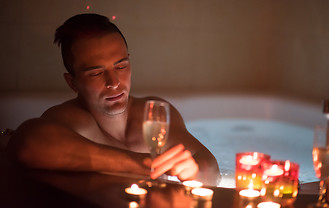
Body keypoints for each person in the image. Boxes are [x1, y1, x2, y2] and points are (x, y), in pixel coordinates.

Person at [7, 13, 220, 185]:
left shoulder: (152, 113)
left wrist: (196, 171)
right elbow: (27, 143)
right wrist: (145, 165)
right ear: (72, 82)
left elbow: (210, 166)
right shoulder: (72, 121)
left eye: (121, 66)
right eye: (96, 73)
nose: (114, 82)